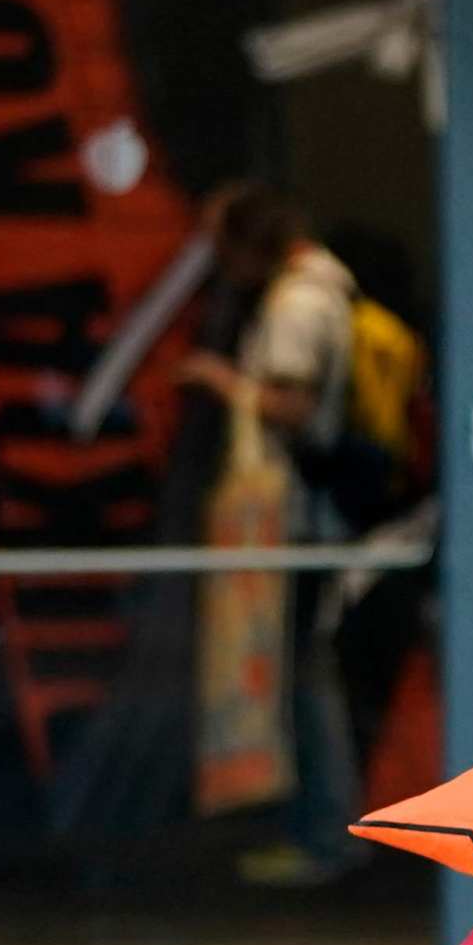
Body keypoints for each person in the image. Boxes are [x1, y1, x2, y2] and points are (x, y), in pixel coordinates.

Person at [180, 184, 365, 879]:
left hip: (299, 518)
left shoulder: (296, 306)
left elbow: (291, 404)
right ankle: (325, 828)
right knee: (308, 672)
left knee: (306, 676)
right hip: (312, 516)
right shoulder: (326, 293)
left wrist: (223, 382)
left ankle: (325, 834)